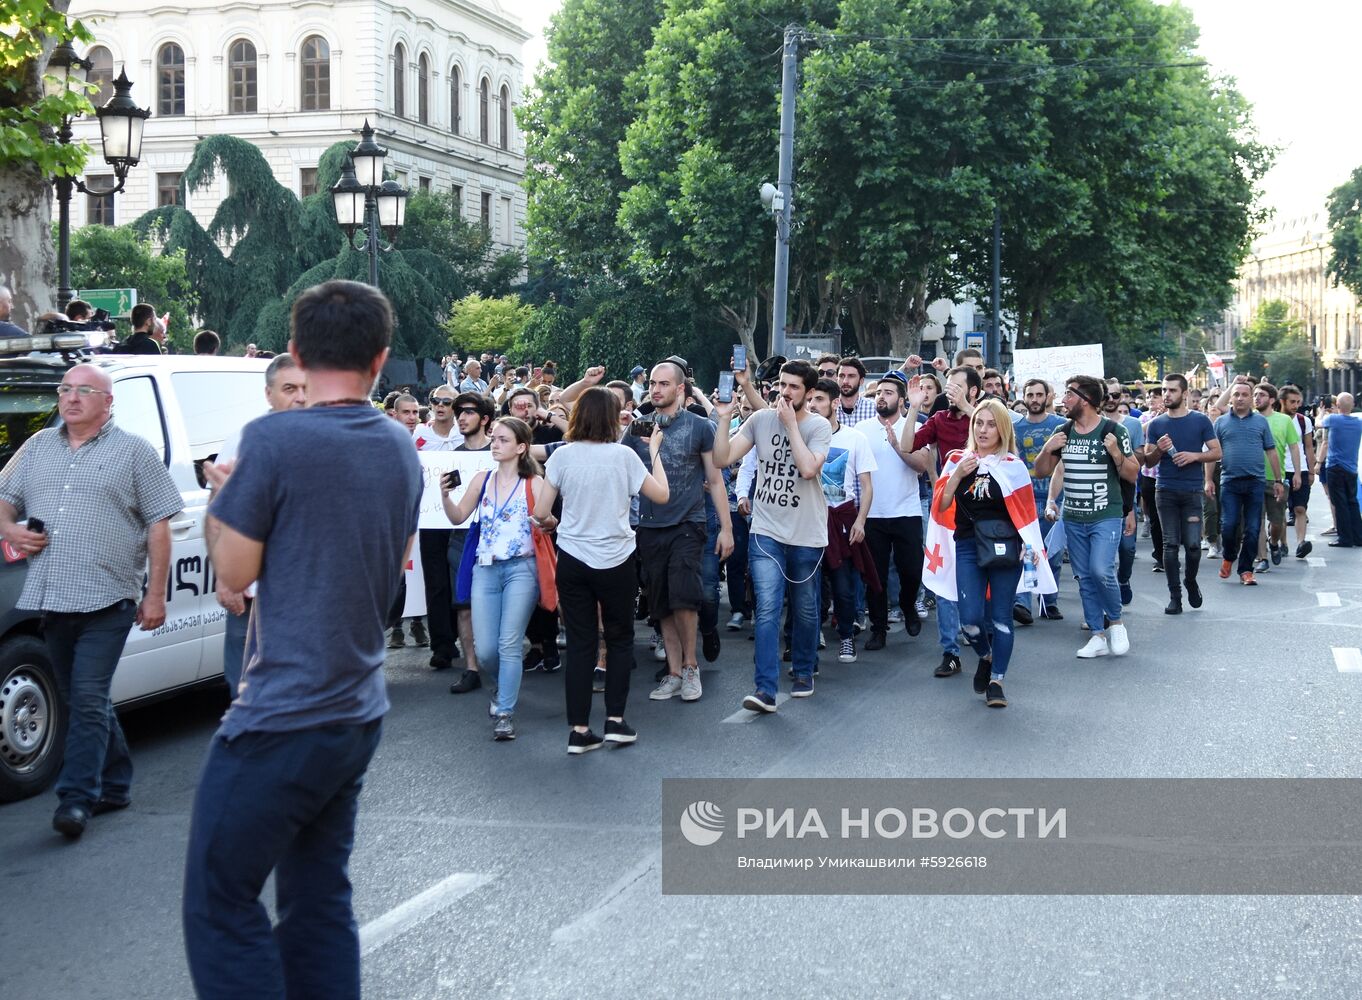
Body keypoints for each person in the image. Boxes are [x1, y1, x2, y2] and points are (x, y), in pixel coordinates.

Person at [183, 279, 422, 998]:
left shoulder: (272, 439)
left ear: (295, 351)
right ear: (379, 360)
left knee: (219, 902)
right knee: (318, 900)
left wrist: (225, 497)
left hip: (281, 713)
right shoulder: (399, 446)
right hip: (356, 707)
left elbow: (234, 574)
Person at [0, 364, 181, 839]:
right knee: (83, 697)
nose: (71, 398)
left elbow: (160, 525)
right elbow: (4, 498)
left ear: (108, 401)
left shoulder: (135, 453)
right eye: (65, 390)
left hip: (109, 598)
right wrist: (10, 528)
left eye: (84, 390)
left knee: (86, 697)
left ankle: (76, 798)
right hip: (52, 597)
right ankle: (117, 783)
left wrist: (155, 594)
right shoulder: (38, 448)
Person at [535, 387, 668, 753]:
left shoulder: (562, 456)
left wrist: (555, 523)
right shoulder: (624, 456)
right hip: (616, 557)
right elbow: (661, 496)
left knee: (581, 644)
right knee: (620, 638)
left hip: (573, 557)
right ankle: (615, 721)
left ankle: (578, 729)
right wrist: (654, 452)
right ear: (612, 418)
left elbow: (541, 511)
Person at [713, 360, 830, 712]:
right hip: (766, 530)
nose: (785, 391)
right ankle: (764, 688)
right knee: (766, 609)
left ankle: (804, 669)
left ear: (809, 393)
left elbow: (809, 468)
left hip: (807, 533)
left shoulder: (819, 426)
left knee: (806, 610)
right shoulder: (759, 420)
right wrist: (722, 417)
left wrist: (792, 426)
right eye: (782, 384)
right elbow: (722, 458)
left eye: (794, 387)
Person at [926, 399, 1057, 708]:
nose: (983, 430)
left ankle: (997, 679)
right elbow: (941, 506)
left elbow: (1025, 516)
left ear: (1003, 429)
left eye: (990, 424)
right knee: (970, 619)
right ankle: (985, 655)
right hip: (969, 546)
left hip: (1006, 549)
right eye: (979, 424)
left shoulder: (1013, 467)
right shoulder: (957, 459)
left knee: (1000, 617)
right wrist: (957, 475)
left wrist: (1032, 548)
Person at [633, 361, 733, 705]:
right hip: (649, 525)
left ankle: (691, 667)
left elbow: (716, 480)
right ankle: (673, 672)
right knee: (660, 604)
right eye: (652, 384)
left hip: (689, 524)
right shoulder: (636, 427)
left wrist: (727, 528)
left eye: (663, 384)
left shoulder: (700, 427)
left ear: (680, 389)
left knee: (684, 596)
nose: (655, 389)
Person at [441, 417, 543, 741]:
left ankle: (504, 712)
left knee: (509, 643)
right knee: (485, 650)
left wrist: (548, 520)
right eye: (494, 439)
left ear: (521, 447)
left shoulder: (534, 482)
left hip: (521, 570)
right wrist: (445, 496)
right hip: (484, 569)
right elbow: (458, 516)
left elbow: (550, 521)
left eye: (502, 439)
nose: (494, 444)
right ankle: (502, 686)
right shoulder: (481, 479)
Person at [214, 355, 308, 694]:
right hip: (252, 594)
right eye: (289, 388)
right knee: (242, 684)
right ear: (269, 394)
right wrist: (226, 579)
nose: (299, 396)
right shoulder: (243, 440)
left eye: (305, 388)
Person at [1033, 375, 1137, 657]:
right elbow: (1042, 471)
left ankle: (1115, 622)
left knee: (1100, 570)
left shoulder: (1113, 430)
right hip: (1074, 517)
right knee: (1084, 577)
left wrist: (1115, 452)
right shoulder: (1063, 430)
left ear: (1086, 400)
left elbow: (1132, 473)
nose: (1062, 400)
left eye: (1068, 394)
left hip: (1106, 514)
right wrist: (1047, 447)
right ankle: (1097, 635)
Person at [910, 365, 981, 677]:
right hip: (947, 508)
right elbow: (906, 445)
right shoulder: (939, 419)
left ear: (973, 391)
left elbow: (1004, 448)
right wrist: (913, 407)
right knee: (944, 582)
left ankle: (983, 641)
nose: (949, 390)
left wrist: (969, 409)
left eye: (957, 386)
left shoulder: (988, 416)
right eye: (947, 385)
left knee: (980, 581)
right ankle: (950, 651)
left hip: (983, 511)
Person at [805, 377, 875, 663]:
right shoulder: (801, 435)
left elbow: (867, 486)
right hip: (807, 520)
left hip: (842, 520)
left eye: (819, 399)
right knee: (809, 586)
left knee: (844, 587)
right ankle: (810, 636)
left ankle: (847, 636)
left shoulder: (855, 438)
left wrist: (860, 521)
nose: (812, 405)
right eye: (811, 400)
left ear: (835, 403)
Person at [1141, 374, 1220, 614]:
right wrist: (1159, 450)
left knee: (1194, 546)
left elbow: (1217, 452)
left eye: (1172, 390)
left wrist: (1195, 456)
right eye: (1164, 390)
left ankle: (1190, 581)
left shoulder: (1200, 420)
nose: (1167, 394)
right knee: (1171, 545)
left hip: (1193, 490)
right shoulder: (1156, 424)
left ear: (1184, 394)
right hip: (1165, 490)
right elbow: (1148, 459)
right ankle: (1175, 596)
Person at [860, 371, 924, 650]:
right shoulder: (862, 430)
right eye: (878, 393)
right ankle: (878, 628)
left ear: (901, 400)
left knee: (912, 571)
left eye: (888, 393)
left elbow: (921, 466)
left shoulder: (914, 426)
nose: (881, 397)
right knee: (875, 576)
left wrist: (899, 447)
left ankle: (908, 606)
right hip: (872, 514)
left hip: (907, 511)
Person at [445, 393, 496, 693]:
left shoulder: (500, 452)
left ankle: (500, 666)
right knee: (463, 607)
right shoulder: (451, 457)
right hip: (460, 540)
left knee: (496, 606)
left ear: (485, 418)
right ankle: (471, 668)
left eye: (467, 412)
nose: (461, 418)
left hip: (495, 540)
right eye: (458, 413)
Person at [1208, 381, 1282, 584]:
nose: (1240, 398)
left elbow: (1271, 451)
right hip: (1230, 482)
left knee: (1252, 528)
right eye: (1236, 394)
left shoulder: (1260, 422)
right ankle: (1229, 557)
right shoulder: (1221, 422)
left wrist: (1278, 480)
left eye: (1244, 395)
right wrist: (1208, 480)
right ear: (1230, 398)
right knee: (1229, 525)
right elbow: (1212, 453)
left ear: (1251, 399)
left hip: (1255, 483)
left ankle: (1246, 570)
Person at [413, 386, 464, 673]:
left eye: (448, 401)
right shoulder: (418, 436)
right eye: (436, 401)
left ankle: (464, 636)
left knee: (462, 580)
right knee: (436, 581)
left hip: (462, 517)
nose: (441, 405)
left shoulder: (465, 435)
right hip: (430, 519)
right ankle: (442, 645)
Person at [1013, 378, 1067, 622]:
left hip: (1055, 498)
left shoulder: (1062, 426)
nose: (1034, 399)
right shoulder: (1014, 428)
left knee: (1052, 553)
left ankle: (1049, 601)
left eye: (1038, 395)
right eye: (1030, 394)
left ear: (1048, 397)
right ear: (1023, 396)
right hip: (1024, 499)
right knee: (1025, 550)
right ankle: (1022, 603)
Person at [1318, 391, 1362, 547]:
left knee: (1340, 503)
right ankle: (1358, 536)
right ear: (1353, 406)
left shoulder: (1333, 419)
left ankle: (1345, 538)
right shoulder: (1358, 422)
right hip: (1351, 468)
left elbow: (1318, 423)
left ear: (1337, 405)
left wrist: (1322, 411)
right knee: (1352, 502)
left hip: (1335, 467)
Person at [1279, 385, 1317, 558]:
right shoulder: (1274, 419)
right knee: (1279, 510)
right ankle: (1283, 543)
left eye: (1298, 402)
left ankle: (1301, 543)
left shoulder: (1304, 421)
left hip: (1299, 469)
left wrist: (1310, 471)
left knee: (1300, 508)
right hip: (1279, 470)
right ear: (1282, 402)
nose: (1295, 405)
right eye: (1292, 402)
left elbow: (1309, 447)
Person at [834, 356, 878, 427]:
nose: (845, 381)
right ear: (837, 379)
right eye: (841, 376)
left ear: (861, 381)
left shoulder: (874, 408)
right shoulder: (829, 408)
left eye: (851, 376)